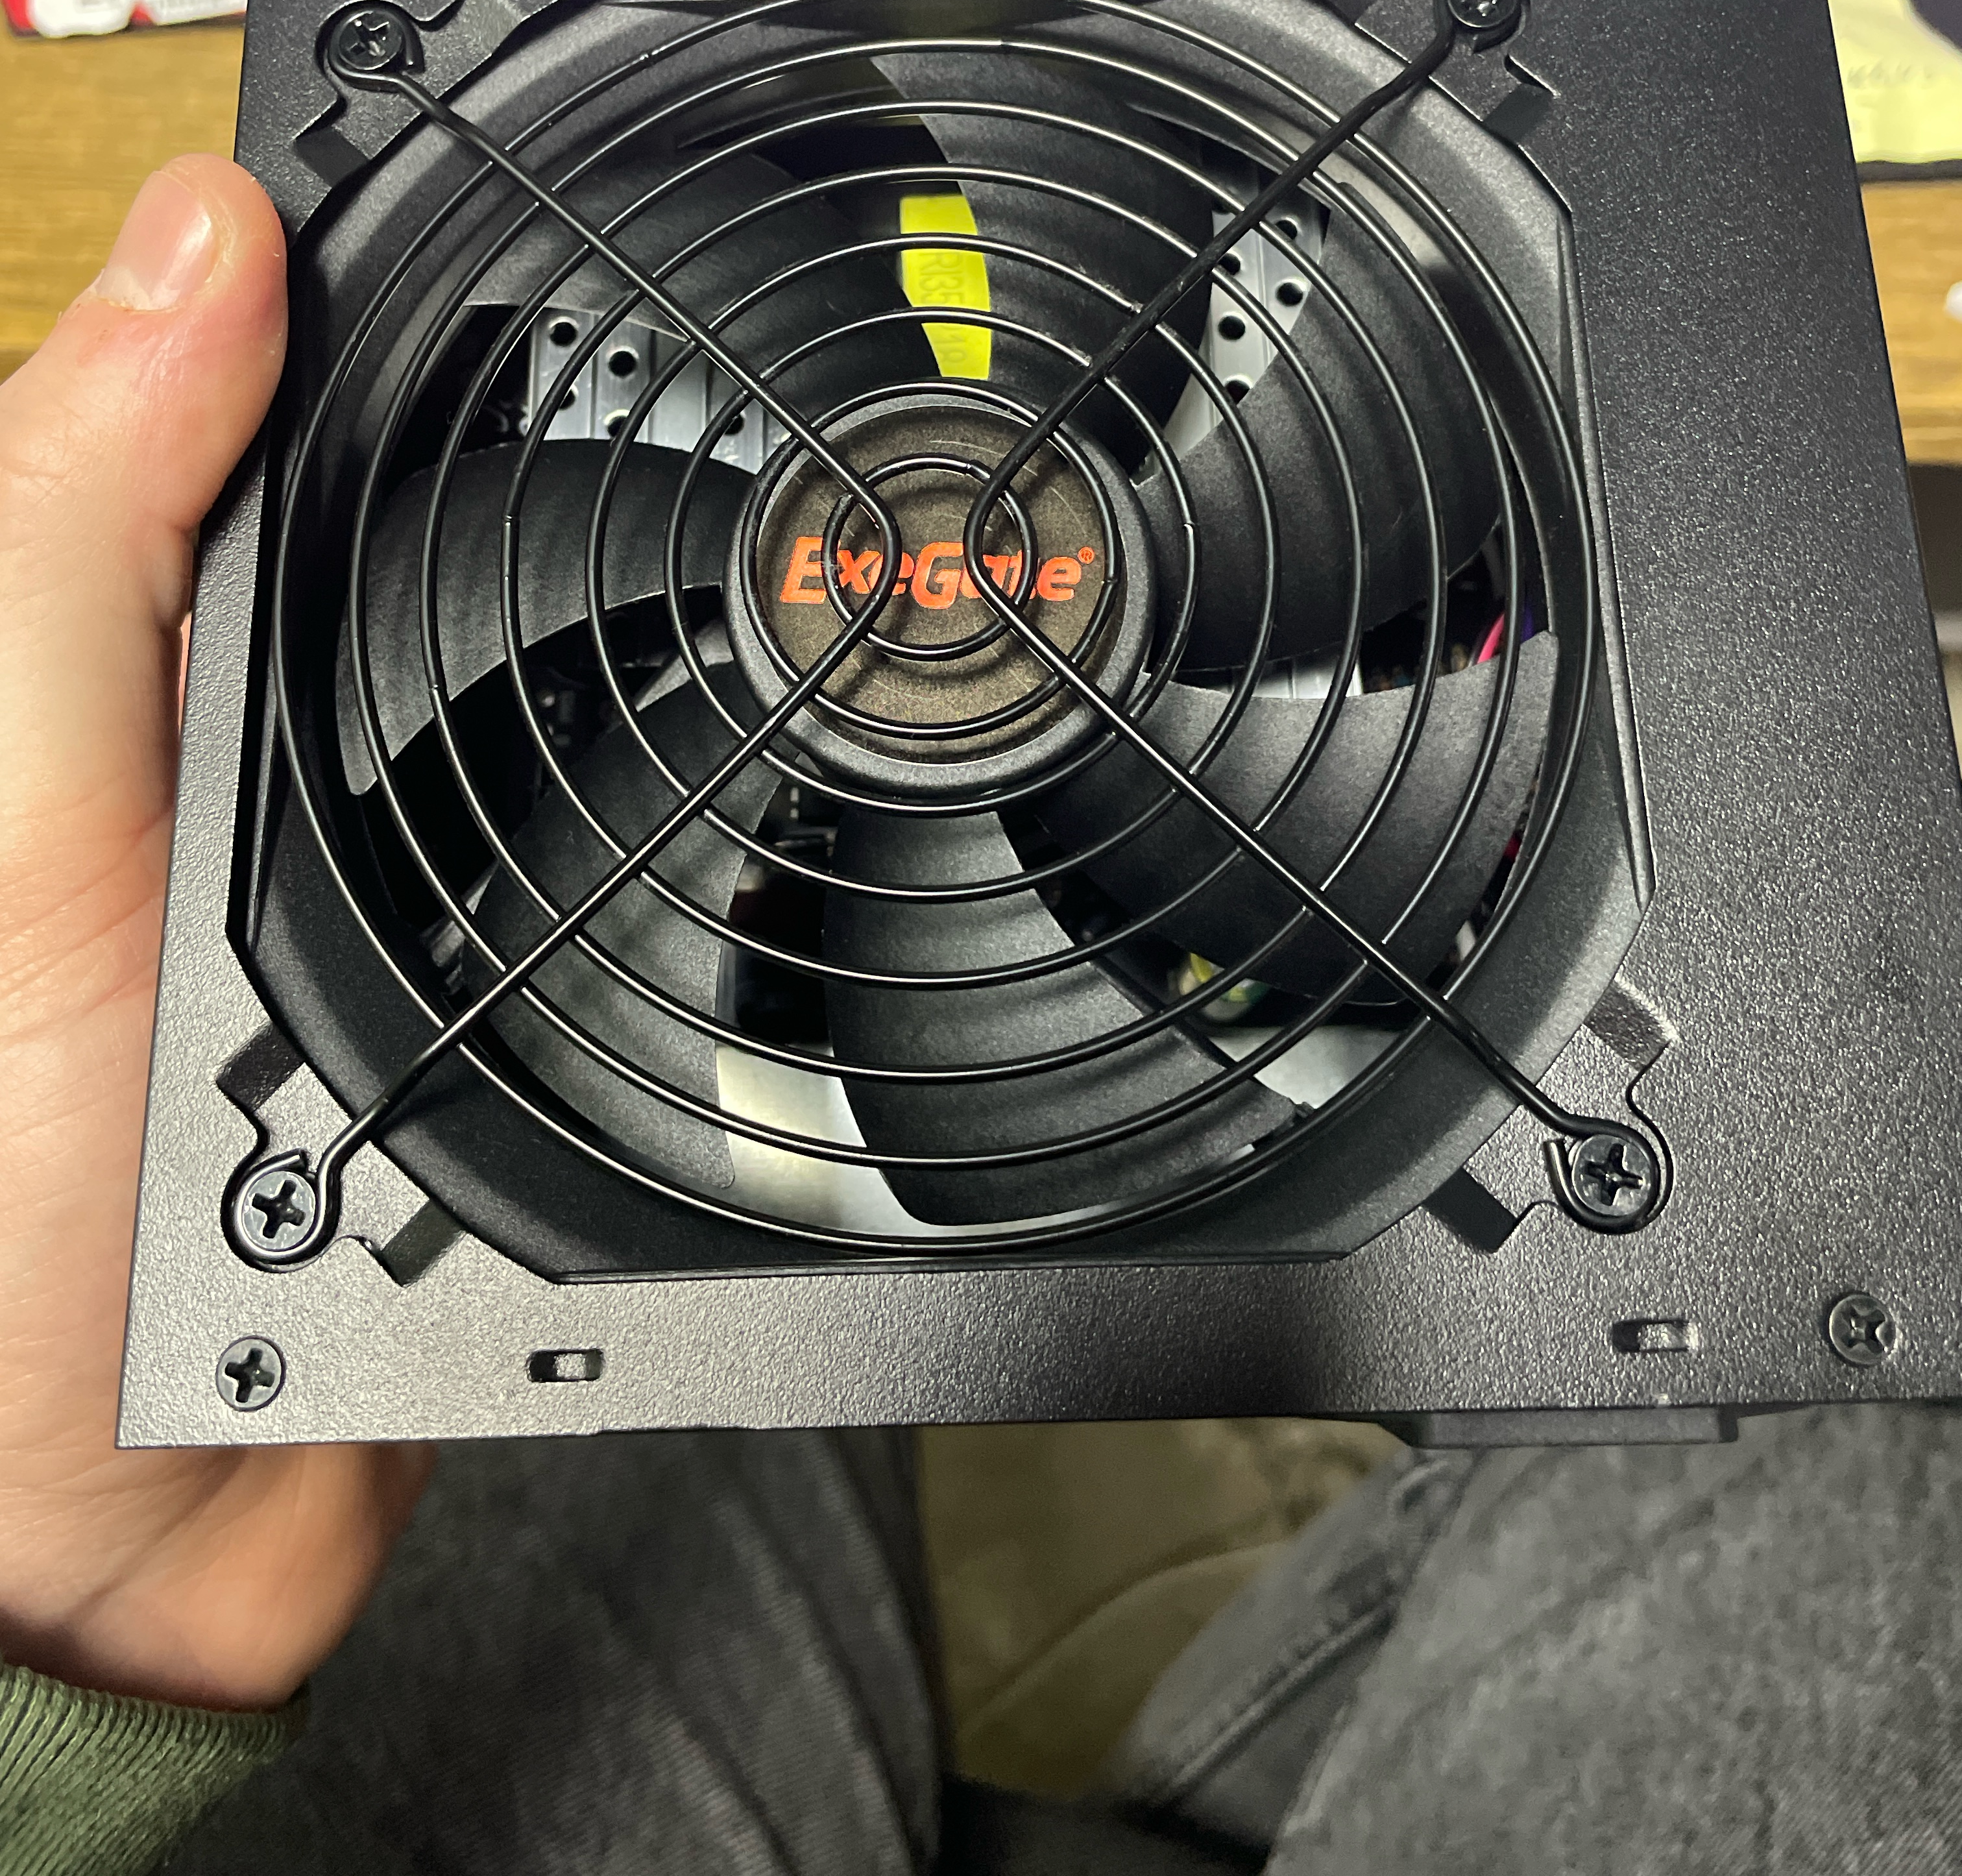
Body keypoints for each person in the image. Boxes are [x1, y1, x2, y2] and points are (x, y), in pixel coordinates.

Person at [5, 156, 1962, 1876]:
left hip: (201, 1643)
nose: (938, 586)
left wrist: (66, 1590)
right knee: (1852, 1452)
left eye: (964, 575)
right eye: (903, 578)